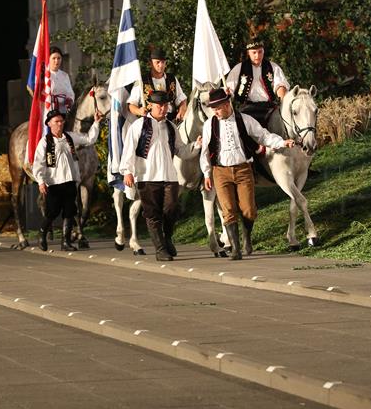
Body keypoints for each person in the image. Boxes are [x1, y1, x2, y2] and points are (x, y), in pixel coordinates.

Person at [200, 88, 295, 260]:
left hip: (243, 169)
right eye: (213, 108)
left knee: (249, 210)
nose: (215, 111)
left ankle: (247, 238)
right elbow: (205, 152)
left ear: (227, 104)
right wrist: (207, 174)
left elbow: (263, 136)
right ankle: (236, 248)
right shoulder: (209, 125)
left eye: (218, 107)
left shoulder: (244, 120)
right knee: (228, 210)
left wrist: (282, 142)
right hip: (220, 171)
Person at [120, 91, 201, 261]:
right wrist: (127, 171)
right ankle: (160, 249)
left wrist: (196, 145)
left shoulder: (171, 127)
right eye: (160, 106)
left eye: (165, 105)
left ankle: (167, 238)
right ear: (150, 106)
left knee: (171, 209)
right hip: (146, 177)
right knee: (153, 214)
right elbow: (128, 150)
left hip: (169, 176)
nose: (164, 109)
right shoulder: (138, 126)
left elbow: (181, 150)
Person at [33, 107, 102, 251]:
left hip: (70, 181)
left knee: (70, 211)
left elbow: (89, 139)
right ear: (49, 124)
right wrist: (40, 181)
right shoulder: (45, 143)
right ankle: (41, 235)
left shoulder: (70, 137)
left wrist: (96, 123)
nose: (60, 123)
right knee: (52, 212)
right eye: (56, 121)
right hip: (54, 183)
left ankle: (65, 242)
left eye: (61, 121)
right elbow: (38, 163)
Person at [225, 40, 289, 128]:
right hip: (247, 108)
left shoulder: (273, 67)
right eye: (254, 52)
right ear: (248, 53)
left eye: (260, 52)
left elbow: (280, 85)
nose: (257, 56)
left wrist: (282, 96)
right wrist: (228, 92)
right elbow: (230, 89)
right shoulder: (239, 68)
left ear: (263, 51)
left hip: (269, 108)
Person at [127, 46, 188, 122]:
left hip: (172, 120)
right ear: (150, 63)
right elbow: (131, 105)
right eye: (157, 62)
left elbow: (182, 100)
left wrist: (181, 111)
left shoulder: (172, 79)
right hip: (149, 121)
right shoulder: (141, 81)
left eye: (163, 62)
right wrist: (139, 111)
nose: (161, 65)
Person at [47, 46, 75, 114]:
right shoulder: (45, 76)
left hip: (64, 110)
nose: (56, 61)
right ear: (48, 59)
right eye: (54, 58)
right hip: (49, 109)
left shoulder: (65, 75)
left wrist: (69, 100)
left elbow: (70, 93)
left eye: (59, 58)